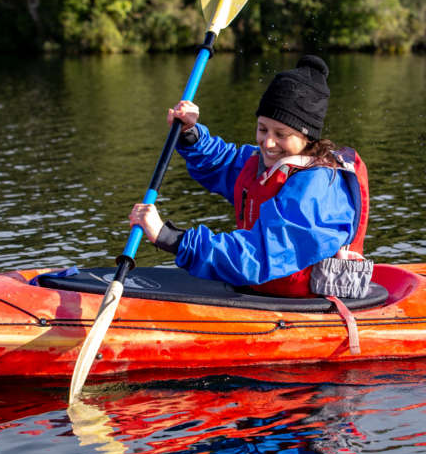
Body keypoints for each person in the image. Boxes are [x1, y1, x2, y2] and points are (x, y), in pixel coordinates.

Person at [128, 55, 372, 298]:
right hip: (261, 290)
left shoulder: (320, 190)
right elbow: (223, 163)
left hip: (307, 305)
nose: (268, 142)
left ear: (308, 138)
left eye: (281, 134)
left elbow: (260, 255)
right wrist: (189, 134)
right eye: (262, 129)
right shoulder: (264, 164)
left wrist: (169, 237)